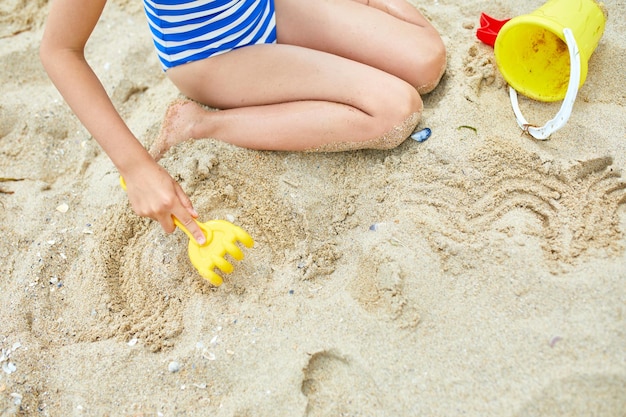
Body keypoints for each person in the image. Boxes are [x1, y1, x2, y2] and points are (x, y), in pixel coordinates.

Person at [40, 0, 446, 245]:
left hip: (264, 7)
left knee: (427, 61)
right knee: (394, 110)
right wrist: (137, 167)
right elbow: (60, 50)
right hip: (214, 53)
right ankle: (199, 124)